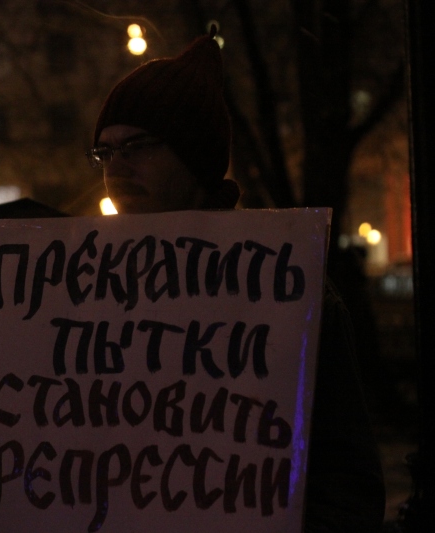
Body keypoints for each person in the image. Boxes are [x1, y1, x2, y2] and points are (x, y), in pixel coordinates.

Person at [86, 27, 385, 533]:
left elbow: (346, 484)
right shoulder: (85, 287)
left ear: (195, 157)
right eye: (104, 152)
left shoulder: (286, 286)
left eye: (137, 145)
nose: (117, 167)